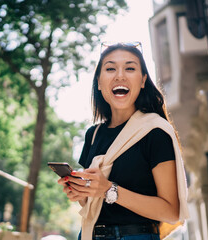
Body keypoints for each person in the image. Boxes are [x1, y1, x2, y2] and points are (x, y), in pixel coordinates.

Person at [58, 42, 188, 240]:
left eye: (130, 68)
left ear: (143, 80)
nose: (120, 75)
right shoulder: (93, 135)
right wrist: (80, 193)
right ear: (99, 83)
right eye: (110, 68)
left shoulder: (155, 132)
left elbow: (171, 212)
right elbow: (92, 203)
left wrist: (109, 189)